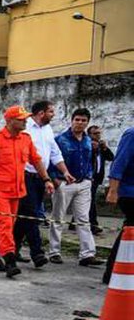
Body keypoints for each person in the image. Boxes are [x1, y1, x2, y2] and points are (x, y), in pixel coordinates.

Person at [0, 106, 55, 278]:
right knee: (5, 225)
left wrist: (47, 179)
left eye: (25, 118)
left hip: (17, 191)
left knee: (6, 225)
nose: (25, 121)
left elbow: (36, 161)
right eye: (21, 119)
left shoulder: (25, 139)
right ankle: (10, 259)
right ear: (10, 121)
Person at [14, 100, 74, 267]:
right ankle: (37, 252)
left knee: (24, 217)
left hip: (41, 177)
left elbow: (54, 152)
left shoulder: (47, 130)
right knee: (32, 214)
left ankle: (12, 249)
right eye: (51, 112)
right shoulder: (24, 128)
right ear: (41, 113)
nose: (53, 115)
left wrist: (65, 171)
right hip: (25, 176)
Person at [51, 108, 103, 266]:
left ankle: (87, 254)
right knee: (58, 218)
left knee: (83, 219)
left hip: (84, 183)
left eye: (83, 121)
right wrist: (55, 180)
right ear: (72, 120)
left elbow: (90, 160)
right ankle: (54, 251)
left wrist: (89, 177)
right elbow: (51, 159)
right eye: (77, 120)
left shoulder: (88, 141)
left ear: (87, 123)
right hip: (64, 183)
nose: (80, 123)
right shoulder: (60, 139)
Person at [103, 126, 133, 284]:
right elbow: (119, 163)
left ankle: (116, 270)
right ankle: (112, 271)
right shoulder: (131, 134)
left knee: (129, 231)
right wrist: (113, 191)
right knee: (130, 229)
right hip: (129, 192)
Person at [88, 125, 115, 235]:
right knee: (91, 202)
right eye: (95, 133)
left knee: (87, 201)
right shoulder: (86, 145)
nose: (97, 136)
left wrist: (104, 148)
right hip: (89, 178)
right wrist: (92, 149)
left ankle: (74, 223)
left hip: (97, 178)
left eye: (99, 133)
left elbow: (111, 157)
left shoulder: (100, 146)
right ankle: (93, 225)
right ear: (89, 135)